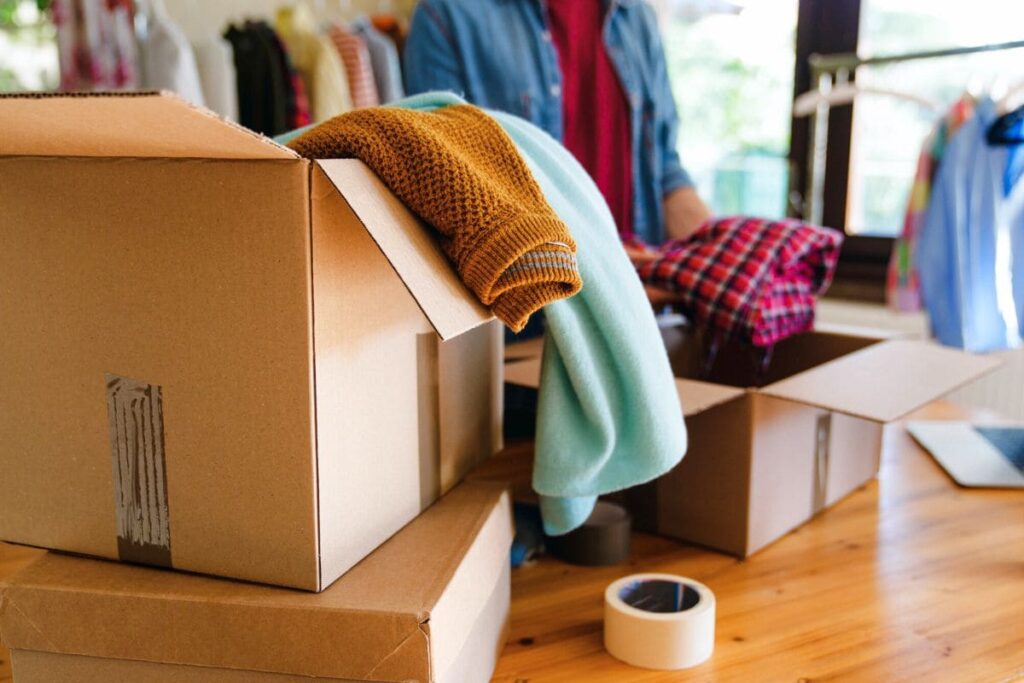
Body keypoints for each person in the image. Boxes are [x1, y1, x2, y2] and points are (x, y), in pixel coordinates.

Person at [403, 0, 711, 256]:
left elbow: (665, 170)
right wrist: (602, 267)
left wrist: (715, 250)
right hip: (529, 316)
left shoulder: (635, 16)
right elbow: (452, 196)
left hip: (642, 304)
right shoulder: (448, 15)